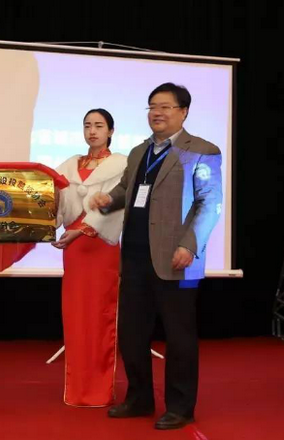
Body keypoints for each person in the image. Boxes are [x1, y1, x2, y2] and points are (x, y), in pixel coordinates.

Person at [90, 83, 222, 430]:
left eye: (165, 106)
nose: (157, 113)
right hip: (135, 257)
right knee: (132, 333)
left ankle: (180, 407)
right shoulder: (139, 151)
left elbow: (210, 202)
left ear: (183, 111)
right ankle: (139, 399)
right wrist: (109, 199)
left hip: (177, 258)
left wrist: (189, 245)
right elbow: (128, 189)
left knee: (179, 336)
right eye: (152, 106)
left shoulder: (202, 150)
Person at [52, 109, 127, 406]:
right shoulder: (69, 165)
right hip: (74, 250)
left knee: (100, 315)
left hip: (101, 245)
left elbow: (116, 207)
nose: (92, 131)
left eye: (99, 126)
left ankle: (99, 389)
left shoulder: (120, 164)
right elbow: (57, 203)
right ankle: (77, 388)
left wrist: (83, 230)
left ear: (111, 131)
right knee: (76, 315)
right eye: (87, 126)